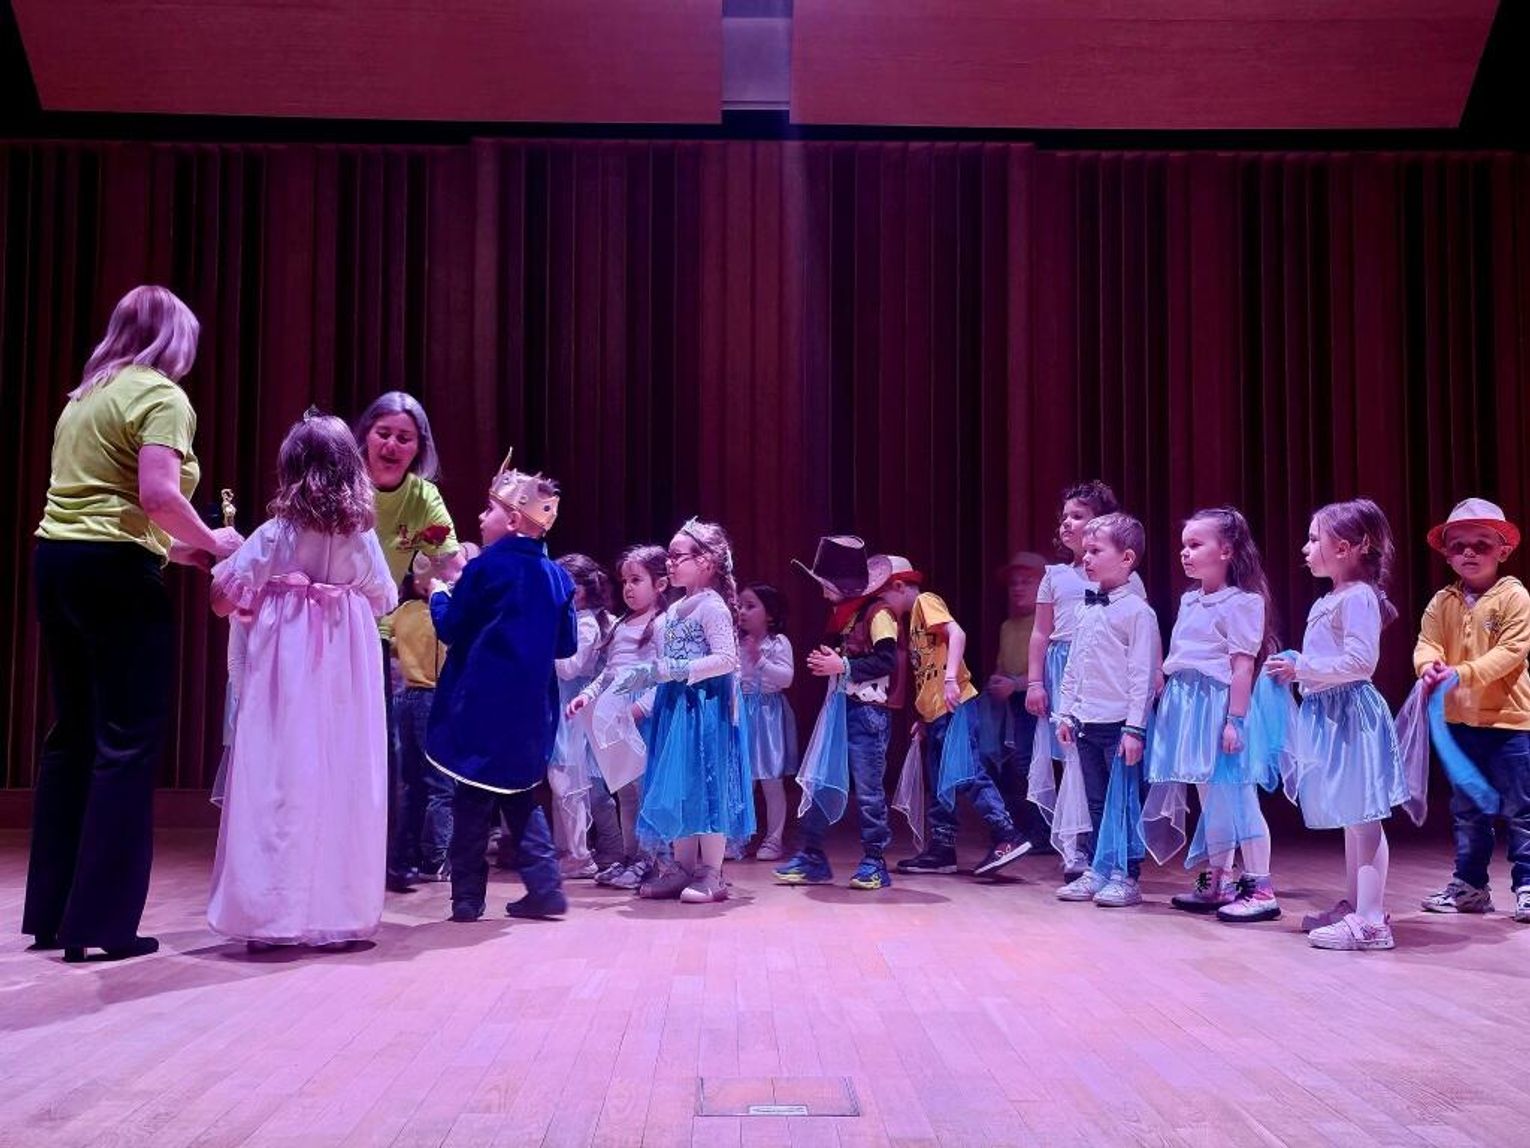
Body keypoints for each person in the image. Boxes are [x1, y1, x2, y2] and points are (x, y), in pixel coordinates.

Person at [25, 285, 242, 962]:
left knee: (73, 734)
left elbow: (103, 507)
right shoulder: (162, 395)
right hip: (115, 577)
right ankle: (104, 925)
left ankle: (52, 914)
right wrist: (214, 543)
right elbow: (156, 495)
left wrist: (179, 551)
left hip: (56, 562)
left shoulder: (84, 397)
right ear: (176, 338)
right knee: (126, 740)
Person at [207, 411, 397, 948]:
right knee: (342, 779)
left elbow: (223, 599)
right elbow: (384, 597)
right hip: (344, 678)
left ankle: (270, 916)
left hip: (285, 677)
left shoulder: (276, 534)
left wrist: (240, 576)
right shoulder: (362, 539)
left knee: (279, 781)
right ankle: (341, 910)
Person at [427, 457, 576, 924]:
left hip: (481, 703)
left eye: (488, 509)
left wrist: (439, 595)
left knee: (471, 798)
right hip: (530, 709)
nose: (480, 517)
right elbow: (566, 644)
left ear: (512, 520)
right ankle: (545, 889)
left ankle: (467, 899)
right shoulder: (559, 577)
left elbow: (452, 628)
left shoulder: (485, 568)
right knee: (520, 795)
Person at [1267, 499, 1407, 952]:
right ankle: (1355, 905)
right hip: (1330, 714)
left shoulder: (1359, 597)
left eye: (1314, 539)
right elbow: (1328, 659)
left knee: (1364, 818)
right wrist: (1298, 667)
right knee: (1351, 815)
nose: (1305, 548)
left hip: (1351, 715)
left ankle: (1372, 920)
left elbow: (1360, 663)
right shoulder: (1330, 599)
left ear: (1345, 547)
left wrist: (1303, 668)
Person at [1145, 508, 1284, 923]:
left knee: (1238, 796)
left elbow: (1242, 666)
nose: (1185, 553)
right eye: (1183, 545)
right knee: (1210, 798)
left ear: (1225, 551)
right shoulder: (1190, 599)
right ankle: (1218, 880)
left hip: (1219, 705)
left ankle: (1260, 886)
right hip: (1188, 704)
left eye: (1195, 544)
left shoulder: (1243, 602)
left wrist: (1234, 720)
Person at [353, 391, 458, 893]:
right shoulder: (344, 483)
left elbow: (449, 563)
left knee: (383, 752)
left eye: (404, 438)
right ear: (365, 437)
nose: (392, 445)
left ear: (419, 447)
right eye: (383, 434)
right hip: (323, 626)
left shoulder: (422, 499)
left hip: (371, 631)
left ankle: (387, 861)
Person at [620, 519, 753, 904]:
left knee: (708, 783)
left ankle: (711, 872)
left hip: (705, 709)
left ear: (706, 561)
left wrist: (677, 669)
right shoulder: (672, 612)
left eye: (678, 556)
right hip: (675, 709)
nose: (670, 563)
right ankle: (680, 867)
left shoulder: (712, 607)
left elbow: (726, 659)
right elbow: (662, 668)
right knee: (681, 785)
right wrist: (642, 690)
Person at [1414, 499, 1530, 924]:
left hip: (1510, 723)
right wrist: (1429, 668)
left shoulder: (1514, 596)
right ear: (1447, 555)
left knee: (1522, 811)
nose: (1469, 552)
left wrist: (1462, 673)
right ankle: (1470, 887)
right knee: (1468, 813)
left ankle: (1528, 886)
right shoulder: (1441, 601)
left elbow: (1512, 651)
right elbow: (1427, 643)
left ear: (1503, 551)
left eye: (1481, 544)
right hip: (1461, 723)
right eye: (1458, 545)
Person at [774, 538, 902, 891]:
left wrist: (842, 665)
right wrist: (828, 661)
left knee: (869, 790)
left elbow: (887, 660)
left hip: (867, 714)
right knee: (821, 781)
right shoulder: (844, 615)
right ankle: (812, 855)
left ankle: (875, 860)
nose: (822, 591)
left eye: (827, 584)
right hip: (839, 710)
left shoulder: (878, 613)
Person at [1054, 514, 1161, 907]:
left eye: (1096, 551)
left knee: (1124, 802)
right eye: (1086, 551)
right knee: (1096, 802)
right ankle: (1098, 869)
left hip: (1119, 725)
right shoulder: (1085, 609)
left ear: (1126, 558)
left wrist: (1135, 729)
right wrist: (1066, 712)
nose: (1086, 558)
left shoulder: (1137, 612)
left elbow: (1142, 675)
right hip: (1087, 720)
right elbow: (1074, 666)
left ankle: (1126, 875)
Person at [738, 583, 798, 861]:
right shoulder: (736, 643)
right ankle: (738, 838)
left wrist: (760, 660)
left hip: (768, 714)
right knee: (743, 781)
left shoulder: (778, 643)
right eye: (740, 605)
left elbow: (786, 679)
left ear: (770, 614)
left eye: (750, 606)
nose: (742, 611)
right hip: (741, 713)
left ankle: (774, 839)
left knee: (771, 781)